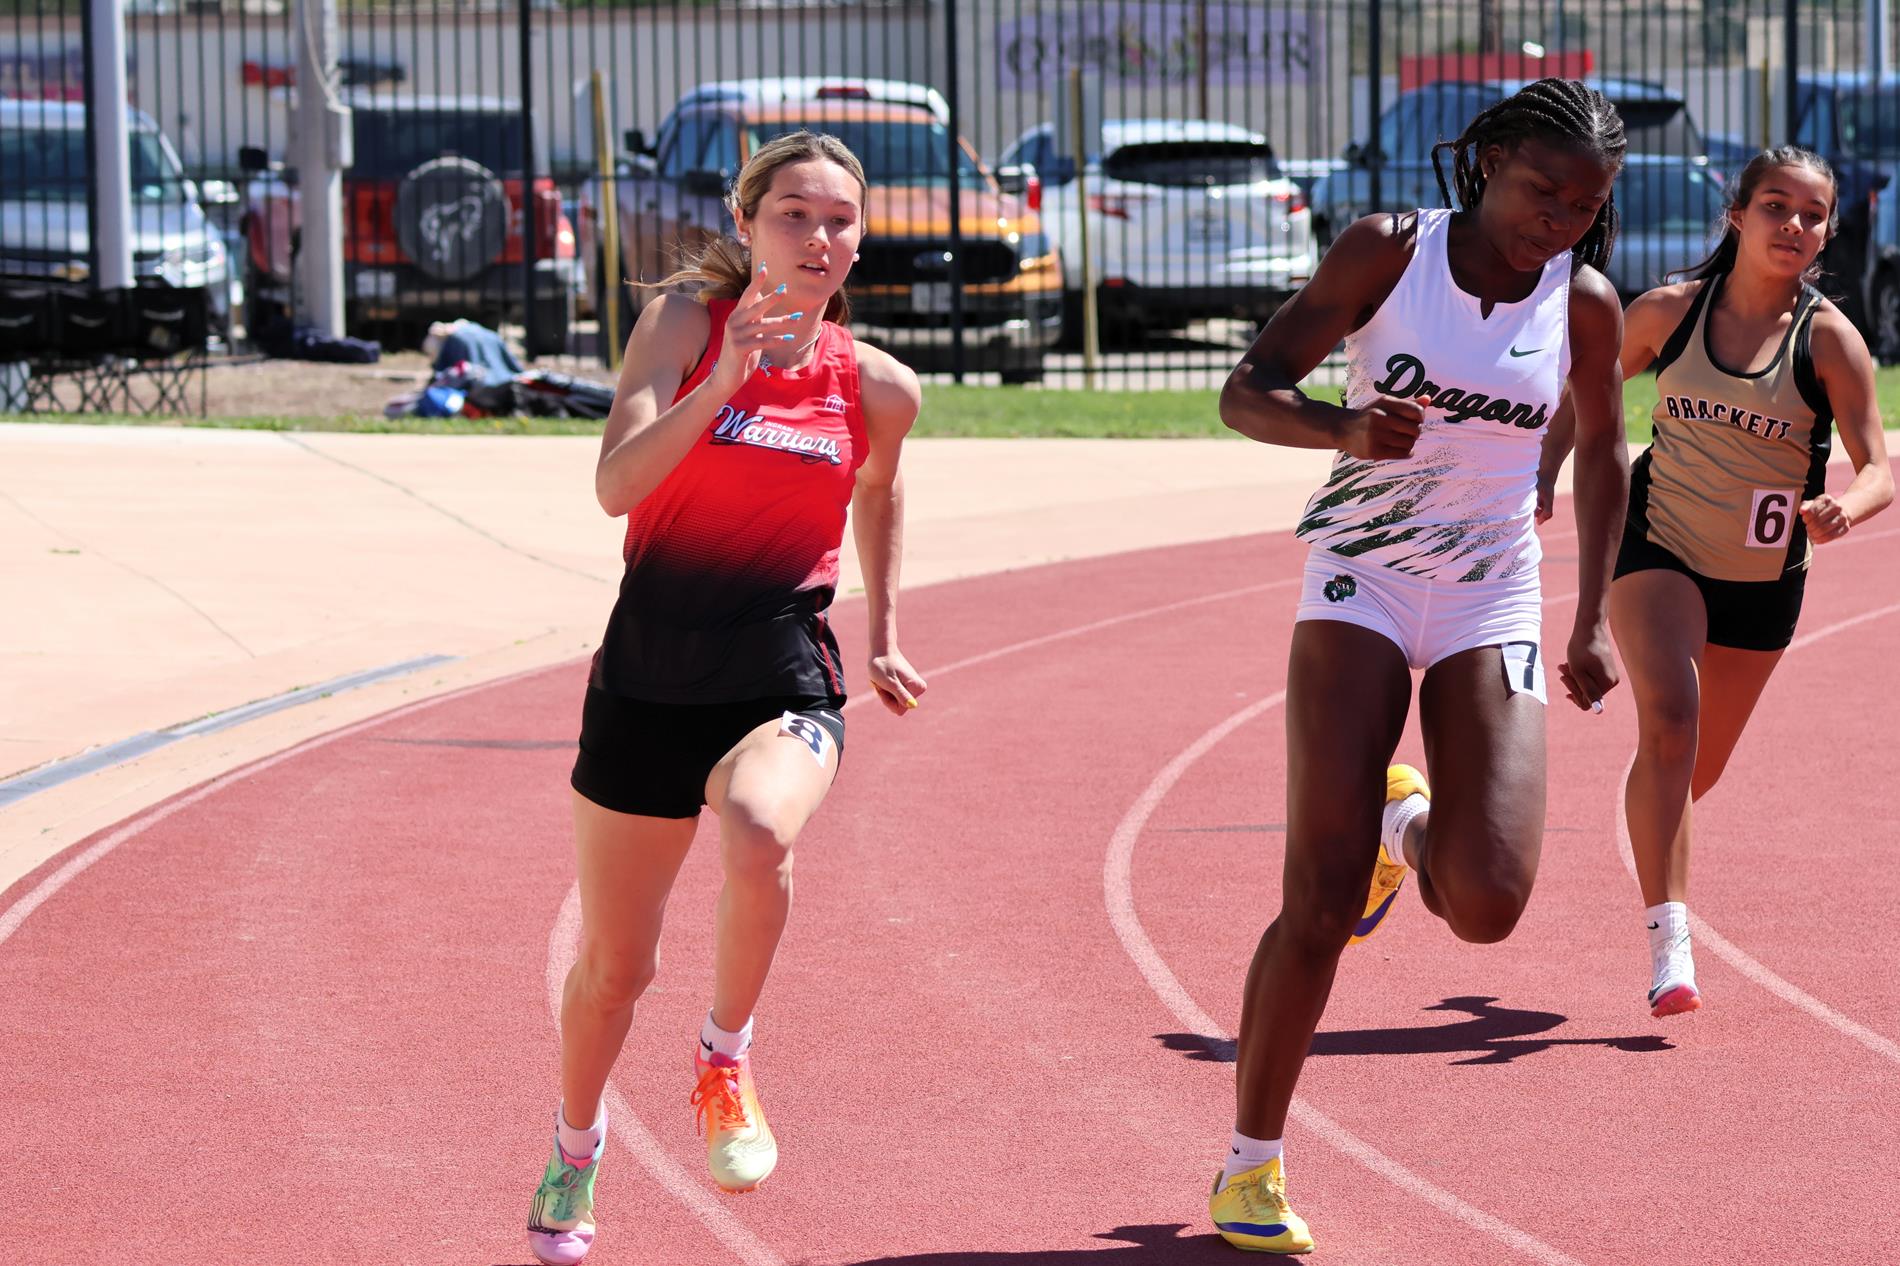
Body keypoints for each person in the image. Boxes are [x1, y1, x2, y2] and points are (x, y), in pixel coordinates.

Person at [1210, 79, 1632, 1254]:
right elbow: (1245, 393)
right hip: (1363, 575)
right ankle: (1249, 1167)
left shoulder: (1583, 302)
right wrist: (1340, 429)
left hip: (1490, 592)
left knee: (1488, 904)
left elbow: (1604, 451)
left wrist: (1592, 616)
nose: (1555, 222)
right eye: (1541, 191)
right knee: (1318, 893)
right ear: (1489, 159)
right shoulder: (1389, 252)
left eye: (1582, 207)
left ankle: (1411, 827)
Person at [524, 130, 928, 1266]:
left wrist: (885, 636)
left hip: (779, 669)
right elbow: (615, 488)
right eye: (793, 214)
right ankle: (576, 1143)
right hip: (646, 680)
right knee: (615, 970)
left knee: (758, 825)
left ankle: (725, 1052)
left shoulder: (878, 385)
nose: (818, 236)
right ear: (747, 225)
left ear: (860, 241)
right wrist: (722, 386)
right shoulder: (680, 326)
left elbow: (880, 491)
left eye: (839, 219)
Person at [1547, 146, 1891, 1019]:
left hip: (1762, 581)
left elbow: (1878, 467)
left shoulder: (1830, 340)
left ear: (1828, 234)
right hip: (1658, 543)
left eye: (1813, 214)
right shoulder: (1668, 311)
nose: (1794, 225)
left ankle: (1648, 818)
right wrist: (1536, 475)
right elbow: (1580, 392)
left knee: (1690, 772)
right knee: (1672, 718)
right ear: (1737, 215)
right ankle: (1672, 945)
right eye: (1776, 206)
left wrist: (1846, 507)